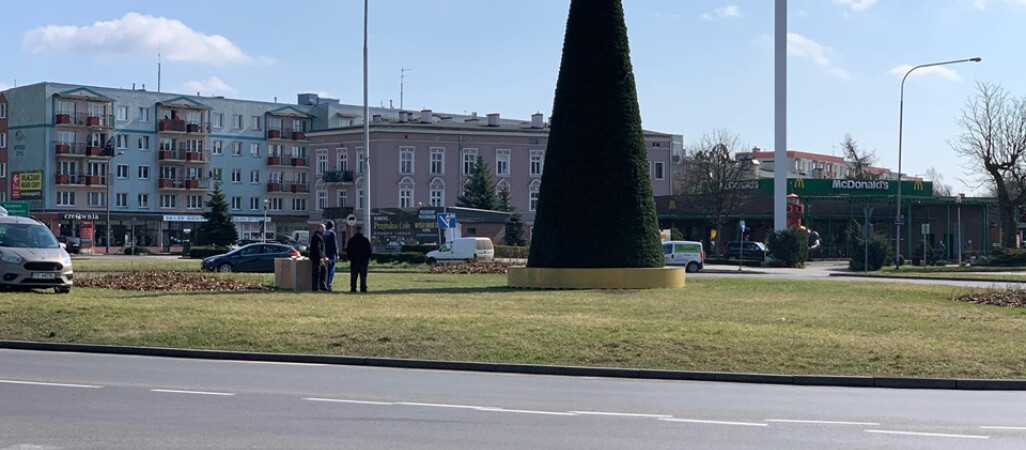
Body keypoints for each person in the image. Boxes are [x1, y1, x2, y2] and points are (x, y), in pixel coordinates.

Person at [346, 225, 372, 293]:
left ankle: (353, 288)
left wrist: (350, 258)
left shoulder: (352, 240)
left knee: (354, 276)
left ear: (356, 230)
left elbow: (348, 250)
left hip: (354, 261)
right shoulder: (365, 240)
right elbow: (369, 251)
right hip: (363, 261)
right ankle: (363, 288)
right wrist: (367, 259)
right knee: (363, 276)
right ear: (361, 231)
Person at [309, 224, 328, 292]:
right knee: (317, 272)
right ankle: (315, 287)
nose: (325, 230)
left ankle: (322, 286)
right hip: (317, 258)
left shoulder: (319, 236)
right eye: (324, 228)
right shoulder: (317, 237)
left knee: (323, 271)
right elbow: (318, 248)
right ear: (320, 228)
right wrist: (320, 257)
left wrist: (324, 256)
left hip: (320, 257)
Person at [323, 220, 339, 292]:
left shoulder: (324, 233)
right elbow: (334, 245)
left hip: (325, 254)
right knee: (331, 270)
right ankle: (328, 285)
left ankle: (324, 284)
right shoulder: (332, 233)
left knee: (325, 270)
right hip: (331, 254)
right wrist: (337, 254)